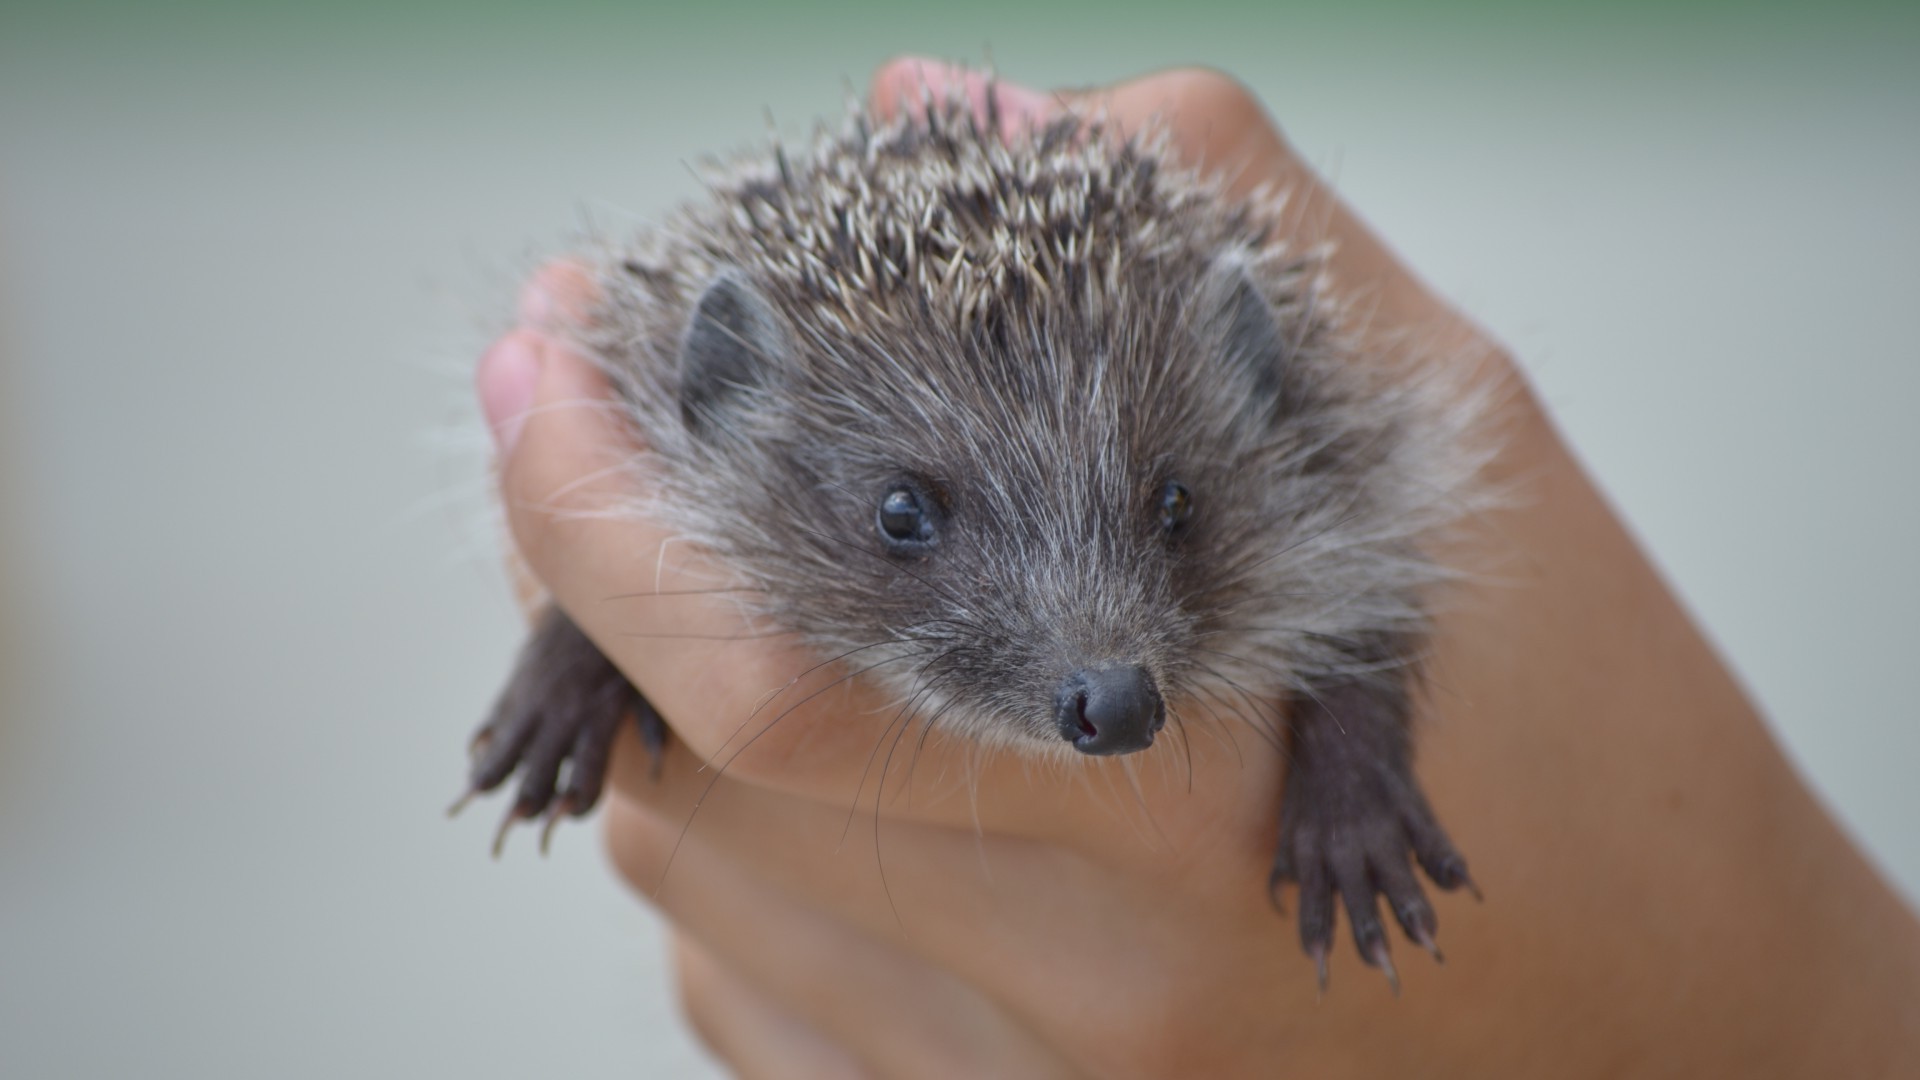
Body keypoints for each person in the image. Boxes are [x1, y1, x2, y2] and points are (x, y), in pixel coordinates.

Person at [475, 60, 1920, 1078]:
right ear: (722, 400)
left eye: (1169, 511)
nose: (1106, 661)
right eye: (909, 521)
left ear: (1246, 381)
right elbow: (627, 564)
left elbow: (1360, 591)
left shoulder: (1296, 464)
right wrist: (577, 652)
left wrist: (1352, 777)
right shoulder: (701, 439)